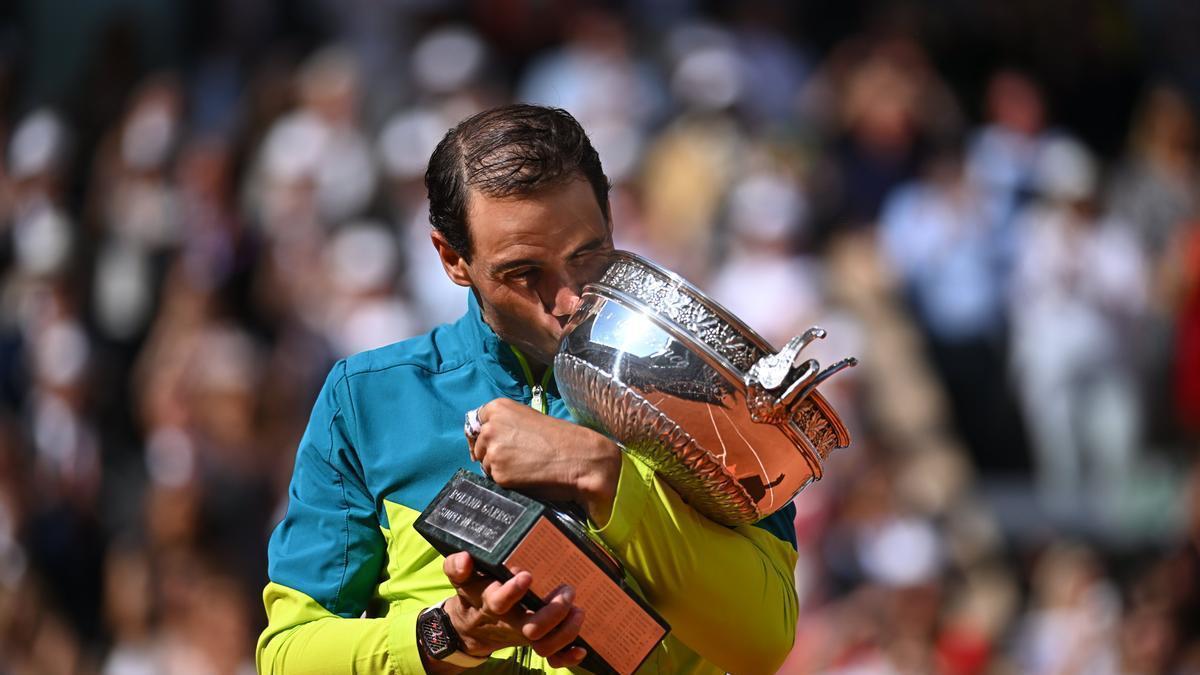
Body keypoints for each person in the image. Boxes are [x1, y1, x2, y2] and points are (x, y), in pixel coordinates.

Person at [256, 104, 799, 674]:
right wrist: (450, 634)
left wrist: (605, 475)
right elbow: (288, 655)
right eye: (524, 273)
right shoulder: (366, 399)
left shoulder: (715, 388)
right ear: (451, 259)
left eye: (587, 256)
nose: (568, 300)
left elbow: (763, 641)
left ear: (611, 219)